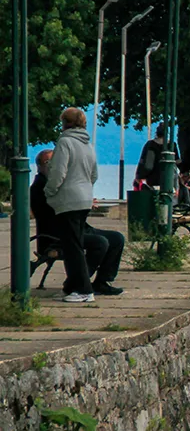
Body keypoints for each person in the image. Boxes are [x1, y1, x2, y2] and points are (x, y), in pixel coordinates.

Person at [32, 149, 125, 297]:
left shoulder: (56, 184)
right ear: (41, 165)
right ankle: (76, 283)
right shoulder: (41, 187)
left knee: (117, 238)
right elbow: (59, 211)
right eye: (50, 162)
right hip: (59, 234)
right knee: (100, 243)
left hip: (78, 228)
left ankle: (102, 281)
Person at [43, 108, 99, 302]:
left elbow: (58, 172)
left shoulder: (65, 142)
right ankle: (76, 286)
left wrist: (49, 192)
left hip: (68, 200)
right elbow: (94, 175)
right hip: (84, 198)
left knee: (72, 247)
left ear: (65, 123)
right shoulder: (88, 145)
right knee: (77, 243)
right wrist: (85, 189)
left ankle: (83, 289)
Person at [134, 123, 169, 188]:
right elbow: (178, 161)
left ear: (157, 133)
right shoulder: (172, 145)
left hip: (152, 178)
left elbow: (144, 162)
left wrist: (139, 175)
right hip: (169, 178)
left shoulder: (150, 145)